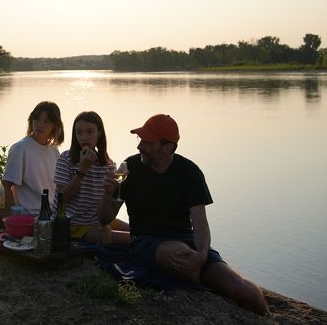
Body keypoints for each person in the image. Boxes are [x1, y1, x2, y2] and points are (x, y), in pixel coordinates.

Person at [97, 114, 269, 315]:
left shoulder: (189, 172)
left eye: (147, 142)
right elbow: (104, 218)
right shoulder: (130, 168)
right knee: (181, 255)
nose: (140, 146)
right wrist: (107, 193)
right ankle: (200, 280)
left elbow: (201, 224)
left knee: (242, 290)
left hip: (189, 242)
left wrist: (202, 254)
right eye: (140, 140)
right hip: (145, 241)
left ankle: (266, 315)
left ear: (168, 147)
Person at [52, 111, 129, 243]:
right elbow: (62, 198)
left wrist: (117, 187)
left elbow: (110, 202)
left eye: (89, 132)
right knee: (129, 239)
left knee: (139, 231)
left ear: (99, 132)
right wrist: (83, 169)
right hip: (72, 224)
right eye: (79, 132)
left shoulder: (107, 164)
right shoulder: (66, 159)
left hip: (98, 221)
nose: (84, 137)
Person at [2, 101, 64, 214]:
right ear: (31, 120)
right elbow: (7, 185)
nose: (40, 124)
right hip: (29, 216)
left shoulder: (54, 151)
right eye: (37, 119)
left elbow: (58, 188)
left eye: (46, 121)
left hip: (52, 214)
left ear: (55, 125)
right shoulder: (20, 148)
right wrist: (12, 220)